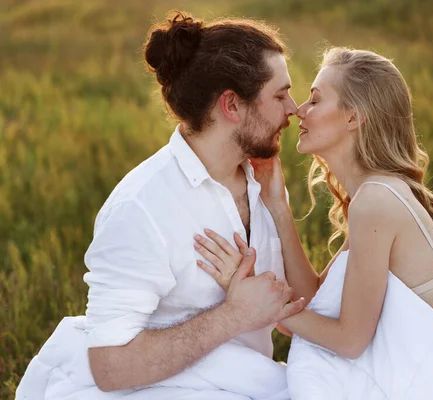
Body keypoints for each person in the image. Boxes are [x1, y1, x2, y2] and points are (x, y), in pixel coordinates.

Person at [195, 48, 433, 399]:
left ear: (354, 117)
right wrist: (278, 206)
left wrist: (257, 306)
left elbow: (349, 340)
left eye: (316, 100)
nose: (300, 111)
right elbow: (318, 300)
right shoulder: (373, 195)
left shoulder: (376, 201)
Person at [16, 11, 304, 400]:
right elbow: (109, 366)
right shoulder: (142, 207)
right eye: (280, 94)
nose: (294, 108)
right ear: (232, 106)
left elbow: (294, 307)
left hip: (248, 383)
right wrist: (235, 314)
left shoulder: (265, 182)